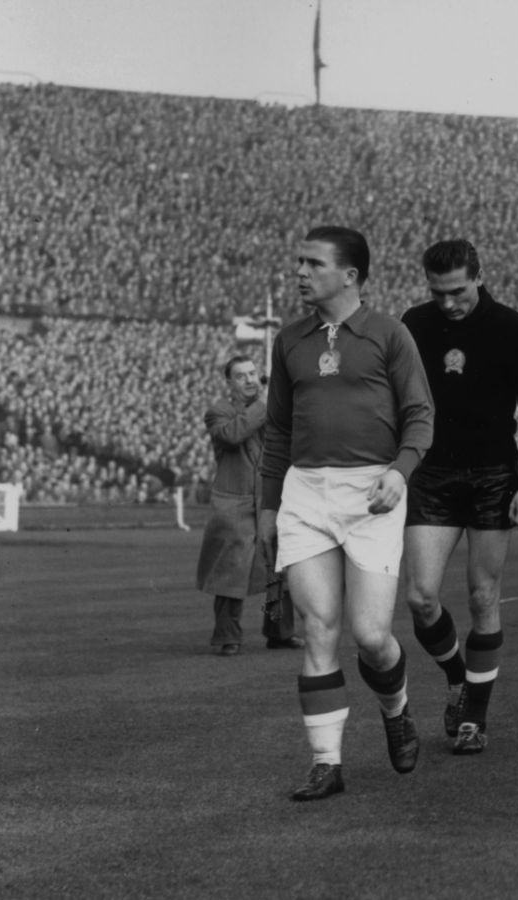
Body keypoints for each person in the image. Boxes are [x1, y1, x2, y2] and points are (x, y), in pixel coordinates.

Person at [258, 226, 435, 802]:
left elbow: (420, 417)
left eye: (313, 263)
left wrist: (398, 472)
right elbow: (279, 432)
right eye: (299, 261)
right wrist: (267, 506)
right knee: (317, 630)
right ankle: (325, 762)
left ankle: (397, 708)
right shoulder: (289, 342)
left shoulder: (390, 334)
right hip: (305, 493)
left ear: (351, 275)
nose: (300, 272)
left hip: (372, 490)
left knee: (372, 636)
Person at [399, 239, 518, 755]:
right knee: (422, 598)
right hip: (433, 473)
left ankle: (475, 719)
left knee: (482, 595)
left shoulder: (513, 328)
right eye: (437, 292)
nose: (447, 303)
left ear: (479, 277)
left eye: (458, 291)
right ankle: (456, 678)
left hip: (493, 475)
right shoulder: (414, 324)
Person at [196, 355, 302, 656]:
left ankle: (280, 633)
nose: (250, 380)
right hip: (235, 502)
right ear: (229, 383)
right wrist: (266, 405)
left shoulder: (273, 410)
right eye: (241, 376)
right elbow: (232, 435)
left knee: (278, 570)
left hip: (269, 499)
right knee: (231, 573)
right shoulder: (219, 411)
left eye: (253, 373)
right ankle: (228, 636)